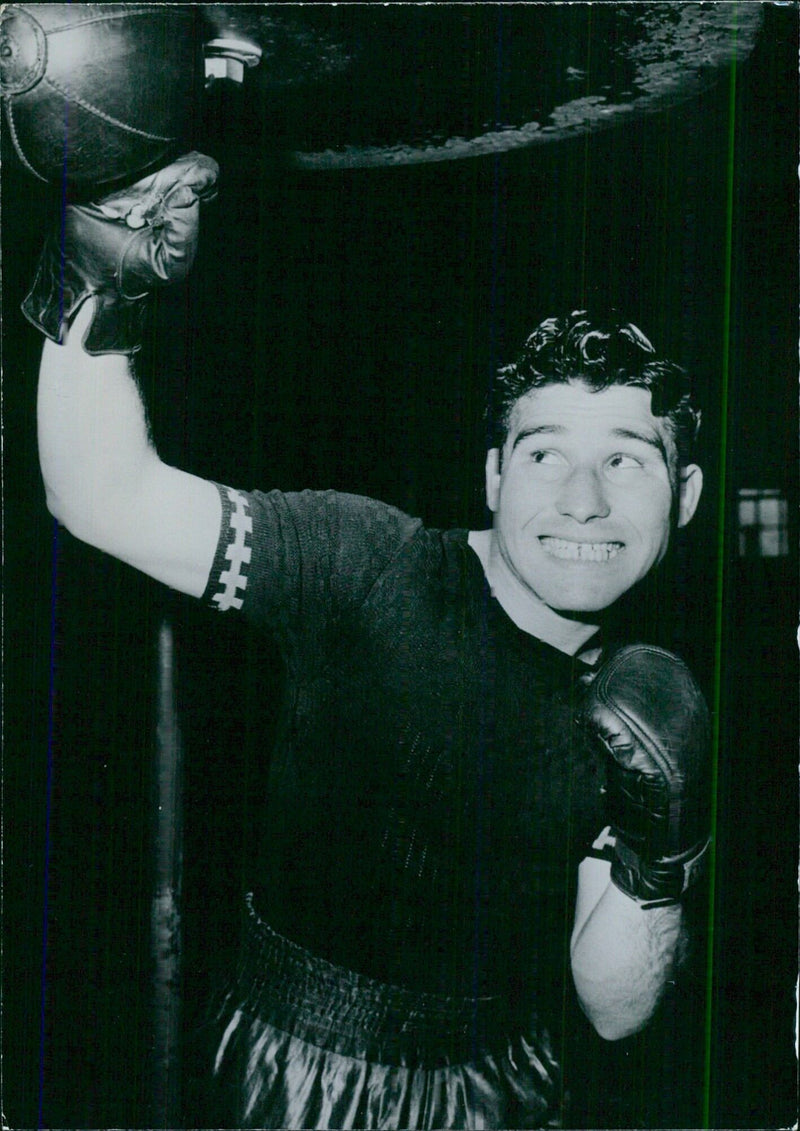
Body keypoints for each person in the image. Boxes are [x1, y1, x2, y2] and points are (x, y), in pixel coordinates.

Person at [27, 154, 711, 1129]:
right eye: (545, 451)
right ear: (492, 475)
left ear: (680, 498)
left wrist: (662, 855)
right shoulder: (368, 563)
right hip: (298, 1085)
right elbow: (104, 496)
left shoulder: (646, 700)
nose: (582, 500)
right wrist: (100, 265)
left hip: (512, 1088)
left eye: (625, 461)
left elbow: (610, 1009)